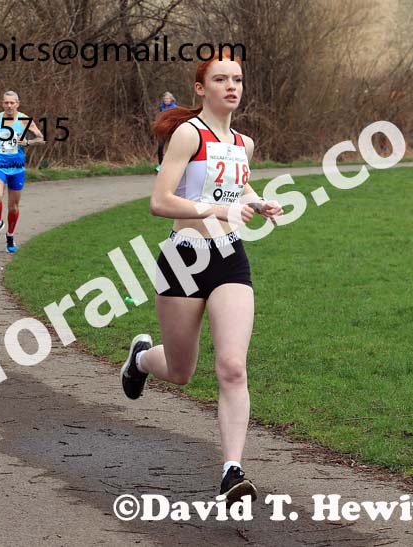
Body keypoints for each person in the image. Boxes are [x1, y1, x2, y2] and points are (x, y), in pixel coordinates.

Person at [120, 49, 283, 504]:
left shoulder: (244, 144)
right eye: (221, 80)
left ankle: (232, 471)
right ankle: (139, 361)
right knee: (180, 370)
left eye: (238, 79)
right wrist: (218, 209)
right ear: (201, 88)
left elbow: (237, 186)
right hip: (183, 259)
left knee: (233, 367)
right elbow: (160, 200)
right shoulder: (188, 136)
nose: (231, 86)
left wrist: (259, 201)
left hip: (230, 256)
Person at [0, 91, 45, 253]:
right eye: (6, 103)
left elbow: (41, 138)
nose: (9, 106)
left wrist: (28, 142)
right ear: (2, 103)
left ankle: (10, 236)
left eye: (12, 103)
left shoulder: (25, 120)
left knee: (13, 208)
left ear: (18, 103)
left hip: (17, 168)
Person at [155, 92, 178, 172]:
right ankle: (160, 164)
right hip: (163, 129)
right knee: (160, 147)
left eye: (167, 99)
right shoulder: (162, 107)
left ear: (171, 99)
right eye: (164, 99)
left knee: (172, 147)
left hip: (171, 129)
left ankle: (173, 165)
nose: (166, 100)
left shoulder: (174, 107)